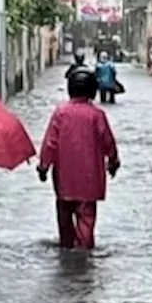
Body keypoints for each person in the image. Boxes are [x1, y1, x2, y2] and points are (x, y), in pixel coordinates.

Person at [37, 68, 121, 250]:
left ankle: (68, 259)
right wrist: (113, 162)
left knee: (65, 226)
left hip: (64, 180)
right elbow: (108, 142)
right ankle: (84, 263)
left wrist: (43, 167)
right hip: (90, 182)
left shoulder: (60, 113)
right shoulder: (97, 115)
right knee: (86, 226)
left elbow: (50, 143)